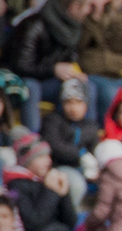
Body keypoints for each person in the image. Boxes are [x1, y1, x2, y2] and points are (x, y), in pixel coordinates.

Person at [2, 0, 89, 133]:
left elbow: (70, 57)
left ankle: (83, 135)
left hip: (48, 81)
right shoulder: (33, 25)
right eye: (88, 6)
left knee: (82, 86)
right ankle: (32, 136)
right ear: (74, 6)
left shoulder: (71, 28)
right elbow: (20, 65)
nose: (89, 11)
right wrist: (53, 69)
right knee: (32, 87)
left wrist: (73, 73)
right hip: (18, 80)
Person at [3, 135, 77, 231]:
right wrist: (51, 192)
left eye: (48, 156)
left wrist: (64, 194)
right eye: (41, 157)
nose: (48, 161)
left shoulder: (46, 181)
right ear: (27, 159)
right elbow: (33, 223)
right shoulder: (16, 185)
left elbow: (70, 222)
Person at [42, 78, 101, 206]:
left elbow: (94, 149)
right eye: (68, 102)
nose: (73, 108)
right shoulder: (53, 121)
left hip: (83, 169)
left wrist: (94, 167)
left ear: (86, 105)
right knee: (76, 185)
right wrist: (80, 155)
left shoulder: (91, 126)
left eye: (78, 102)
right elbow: (54, 146)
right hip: (58, 167)